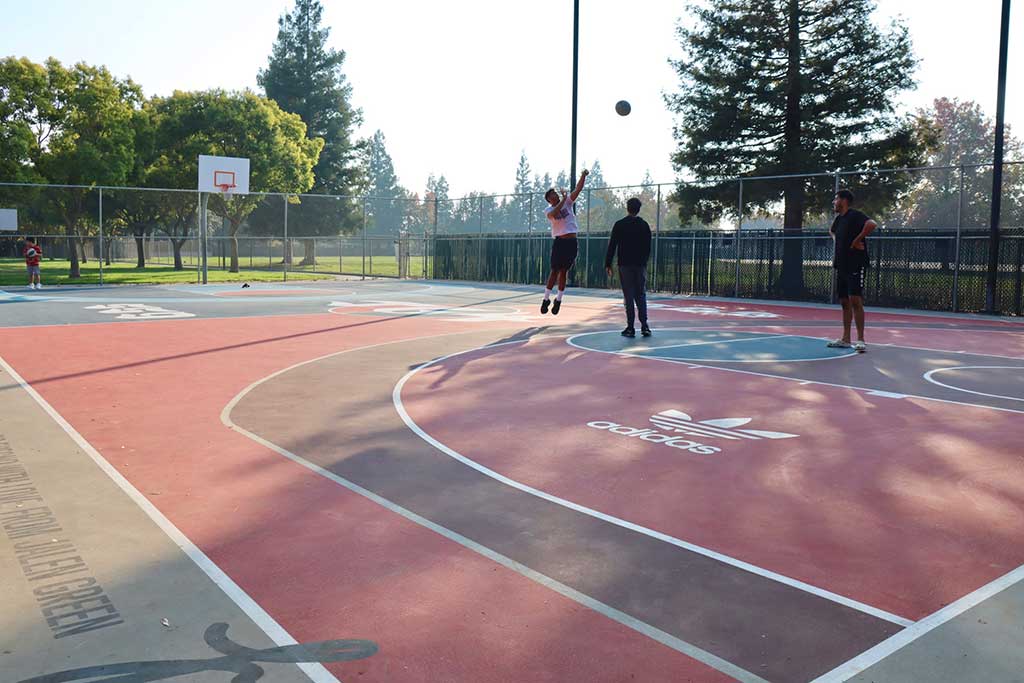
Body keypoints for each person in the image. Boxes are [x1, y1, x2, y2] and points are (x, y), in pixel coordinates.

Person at [828, 189, 876, 352]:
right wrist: (837, 240)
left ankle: (861, 339)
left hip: (855, 263)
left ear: (844, 200)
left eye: (836, 199)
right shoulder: (839, 219)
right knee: (844, 301)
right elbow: (832, 231)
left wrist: (857, 240)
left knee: (855, 300)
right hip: (841, 264)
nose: (834, 202)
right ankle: (845, 339)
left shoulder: (855, 215)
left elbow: (872, 224)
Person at [540, 169, 589, 315]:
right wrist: (562, 200)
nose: (555, 194)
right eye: (552, 194)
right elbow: (555, 213)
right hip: (560, 242)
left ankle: (559, 300)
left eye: (555, 192)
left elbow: (578, 189)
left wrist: (583, 176)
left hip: (571, 243)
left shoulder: (567, 202)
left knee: (563, 272)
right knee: (554, 271)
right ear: (549, 199)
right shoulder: (548, 210)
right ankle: (546, 299)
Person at [605, 197, 652, 337]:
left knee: (628, 295)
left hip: (624, 264)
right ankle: (644, 326)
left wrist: (608, 263)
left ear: (627, 207)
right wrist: (644, 261)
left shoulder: (620, 224)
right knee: (641, 294)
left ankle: (630, 327)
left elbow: (612, 245)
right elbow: (648, 247)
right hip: (639, 265)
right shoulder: (644, 225)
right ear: (639, 209)